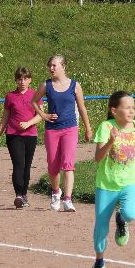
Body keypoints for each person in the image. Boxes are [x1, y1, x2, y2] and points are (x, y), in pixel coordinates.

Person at [89, 91, 135, 268]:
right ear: (114, 110)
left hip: (130, 181)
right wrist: (111, 140)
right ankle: (99, 263)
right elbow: (98, 158)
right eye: (127, 108)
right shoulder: (106, 127)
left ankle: (121, 220)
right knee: (101, 227)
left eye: (133, 107)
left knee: (130, 214)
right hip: (107, 184)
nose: (132, 111)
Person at [30, 54, 91, 212]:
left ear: (63, 67)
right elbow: (34, 101)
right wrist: (43, 115)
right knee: (53, 166)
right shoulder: (46, 85)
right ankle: (56, 192)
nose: (51, 68)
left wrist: (88, 128)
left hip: (70, 128)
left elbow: (82, 108)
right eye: (49, 65)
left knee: (68, 164)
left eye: (54, 65)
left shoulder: (75, 85)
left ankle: (68, 199)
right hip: (52, 129)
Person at [0, 66, 41, 208]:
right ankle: (18, 195)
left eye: (25, 79)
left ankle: (24, 193)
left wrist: (28, 123)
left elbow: (40, 115)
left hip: (30, 135)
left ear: (30, 80)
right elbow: (5, 117)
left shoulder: (35, 95)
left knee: (27, 166)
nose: (22, 82)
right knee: (18, 164)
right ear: (16, 80)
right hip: (13, 134)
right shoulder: (10, 96)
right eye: (19, 79)